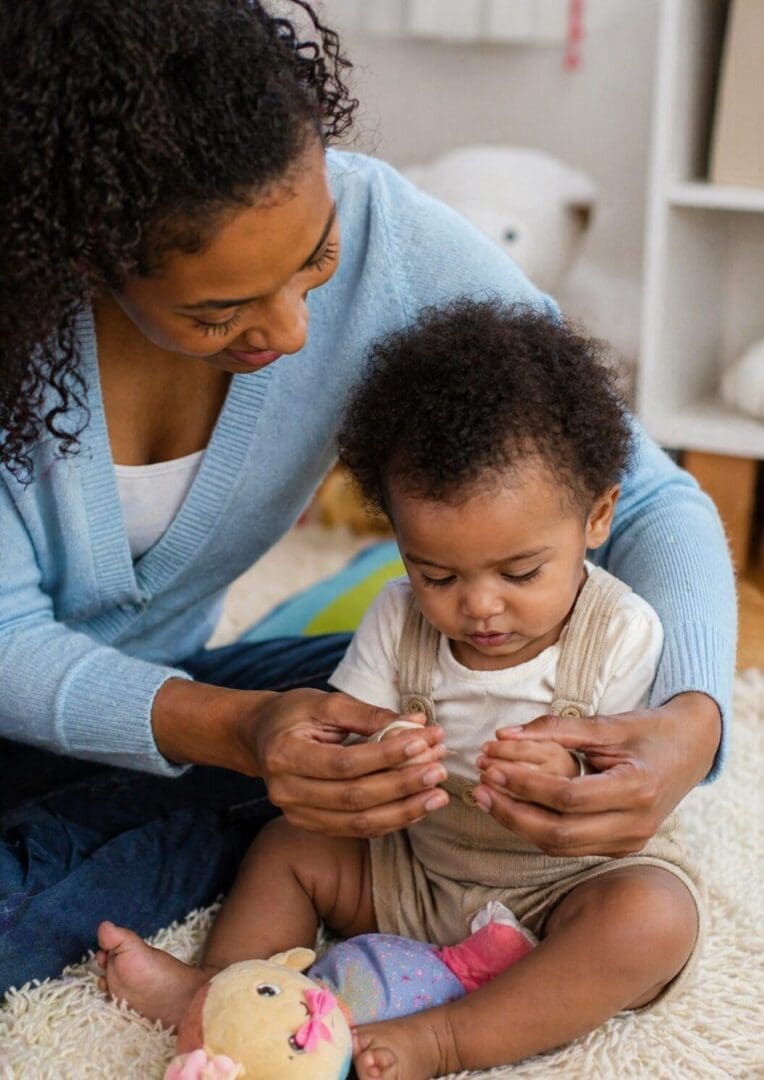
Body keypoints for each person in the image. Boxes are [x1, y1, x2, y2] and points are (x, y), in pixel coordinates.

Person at [0, 0, 733, 995]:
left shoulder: (387, 234)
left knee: (437, 685)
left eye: (315, 261)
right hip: (77, 707)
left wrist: (691, 723)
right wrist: (235, 733)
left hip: (182, 696)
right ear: (85, 256)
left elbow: (646, 499)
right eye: (219, 313)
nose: (293, 333)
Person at [96, 303, 704, 1078]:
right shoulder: (396, 617)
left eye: (521, 573)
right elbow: (355, 724)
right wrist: (381, 752)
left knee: (654, 919)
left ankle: (446, 1038)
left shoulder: (620, 628)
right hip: (416, 867)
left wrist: (569, 776)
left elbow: (629, 774)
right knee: (290, 846)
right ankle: (226, 993)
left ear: (598, 517)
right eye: (437, 574)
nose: (479, 606)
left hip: (564, 883)